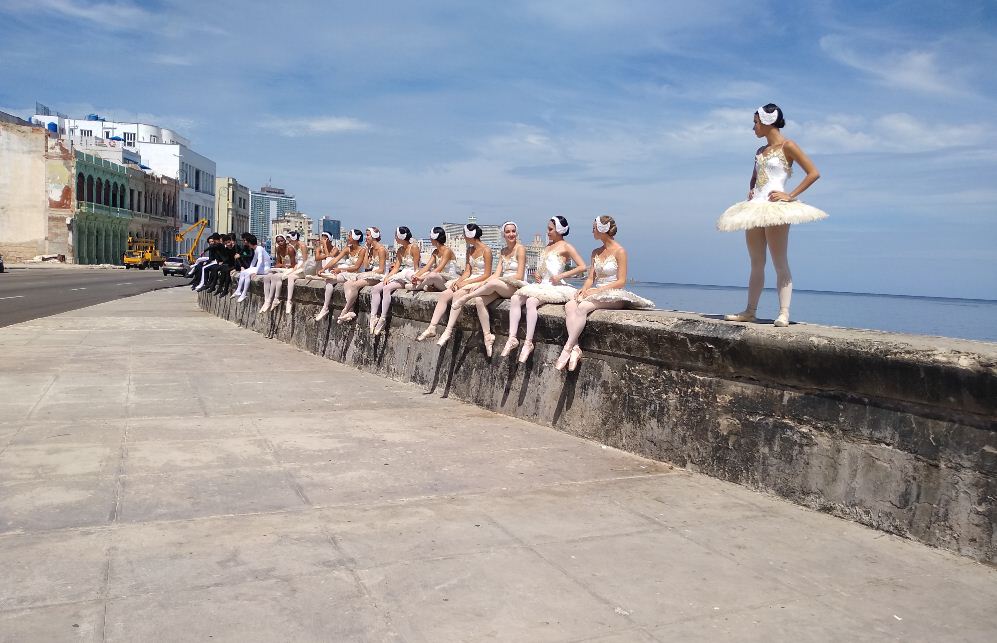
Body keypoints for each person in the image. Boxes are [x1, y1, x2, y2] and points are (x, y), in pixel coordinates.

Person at [716, 103, 825, 327]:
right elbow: (755, 177)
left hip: (775, 209)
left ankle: (784, 312)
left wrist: (790, 195)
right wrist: (752, 190)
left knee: (779, 262)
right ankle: (750, 311)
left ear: (767, 122)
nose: (753, 127)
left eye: (755, 122)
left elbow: (813, 173)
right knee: (756, 262)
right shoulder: (759, 151)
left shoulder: (789, 146)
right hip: (756, 207)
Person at [555, 216, 654, 371]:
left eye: (594, 227)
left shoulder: (620, 251)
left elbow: (621, 281)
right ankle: (575, 348)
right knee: (569, 305)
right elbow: (590, 278)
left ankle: (567, 348)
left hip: (613, 293)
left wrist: (598, 290)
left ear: (603, 229)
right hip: (595, 292)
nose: (592, 230)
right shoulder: (595, 252)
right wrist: (584, 288)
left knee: (583, 307)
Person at [503, 216, 586, 363]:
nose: (547, 232)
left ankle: (528, 343)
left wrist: (561, 275)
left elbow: (582, 266)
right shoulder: (547, 247)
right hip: (543, 284)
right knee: (516, 298)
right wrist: (538, 274)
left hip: (554, 286)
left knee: (531, 303)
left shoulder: (566, 247)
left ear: (559, 230)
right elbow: (543, 269)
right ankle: (512, 337)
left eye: (550, 229)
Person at [444, 221, 526, 356]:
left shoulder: (520, 248)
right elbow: (496, 274)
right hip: (501, 285)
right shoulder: (503, 251)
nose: (511, 234)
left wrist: (491, 281)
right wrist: (482, 283)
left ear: (516, 233)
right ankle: (488, 336)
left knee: (492, 284)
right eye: (508, 232)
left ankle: (466, 297)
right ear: (503, 235)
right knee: (479, 301)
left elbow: (519, 275)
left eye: (513, 231)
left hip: (514, 285)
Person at [416, 223, 493, 345]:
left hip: (479, 281)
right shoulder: (470, 250)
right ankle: (432, 327)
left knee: (457, 295)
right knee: (444, 295)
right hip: (468, 279)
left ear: (470, 235)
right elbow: (467, 271)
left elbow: (487, 274)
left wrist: (466, 282)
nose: (463, 237)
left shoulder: (486, 250)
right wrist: (459, 281)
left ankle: (448, 330)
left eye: (464, 234)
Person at [327, 227, 388, 324]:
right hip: (371, 274)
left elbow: (381, 270)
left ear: (374, 236)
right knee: (347, 284)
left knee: (355, 285)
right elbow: (367, 265)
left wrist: (368, 273)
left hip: (379, 276)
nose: (366, 237)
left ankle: (345, 310)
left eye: (368, 235)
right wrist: (367, 250)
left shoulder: (381, 249)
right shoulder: (371, 249)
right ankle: (350, 311)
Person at [369, 226, 419, 335]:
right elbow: (396, 267)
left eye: (396, 235)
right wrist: (388, 276)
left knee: (387, 288)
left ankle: (383, 318)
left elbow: (416, 267)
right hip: (402, 274)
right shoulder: (400, 250)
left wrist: (415, 278)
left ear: (401, 236)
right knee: (376, 289)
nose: (395, 238)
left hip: (409, 274)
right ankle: (373, 317)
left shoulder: (414, 247)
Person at [313, 229, 368, 322]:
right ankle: (325, 307)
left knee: (348, 286)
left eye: (349, 235)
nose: (348, 237)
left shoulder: (362, 250)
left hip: (356, 274)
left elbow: (356, 267)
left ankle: (350, 310)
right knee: (329, 280)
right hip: (347, 273)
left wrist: (341, 269)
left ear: (355, 238)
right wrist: (324, 269)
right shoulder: (347, 248)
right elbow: (335, 260)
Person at [408, 227, 458, 292]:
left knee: (432, 275)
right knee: (425, 274)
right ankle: (424, 285)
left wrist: (421, 278)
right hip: (440, 278)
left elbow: (439, 269)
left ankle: (419, 287)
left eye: (430, 237)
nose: (430, 239)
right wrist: (415, 276)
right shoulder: (435, 252)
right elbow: (426, 267)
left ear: (435, 238)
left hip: (448, 280)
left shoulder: (447, 251)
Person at [259, 235, 295, 314]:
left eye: (282, 241)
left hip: (291, 269)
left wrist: (282, 265)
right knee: (267, 277)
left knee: (276, 277)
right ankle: (267, 300)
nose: (280, 243)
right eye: (278, 241)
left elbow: (293, 264)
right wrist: (281, 265)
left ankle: (276, 298)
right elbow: (277, 262)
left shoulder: (290, 249)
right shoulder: (278, 249)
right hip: (282, 268)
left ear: (285, 241)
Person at [232, 233, 271, 303]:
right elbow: (253, 261)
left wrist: (255, 272)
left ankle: (244, 293)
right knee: (244, 272)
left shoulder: (259, 249)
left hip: (266, 269)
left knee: (247, 274)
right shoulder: (256, 249)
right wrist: (249, 269)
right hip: (261, 268)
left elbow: (260, 261)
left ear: (250, 243)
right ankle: (238, 290)